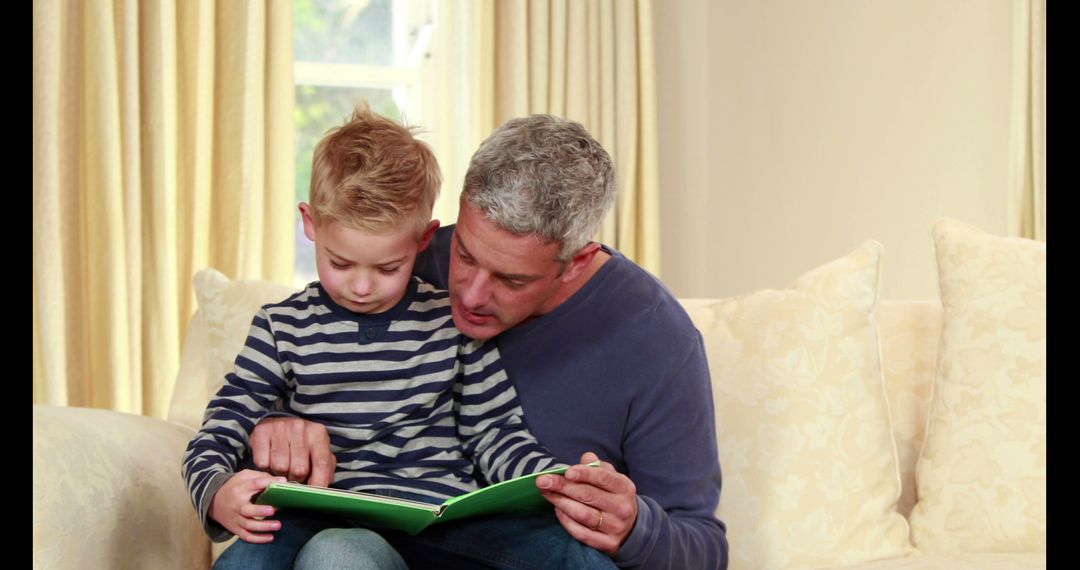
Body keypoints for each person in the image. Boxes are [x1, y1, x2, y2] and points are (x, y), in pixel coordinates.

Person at [253, 114, 729, 569]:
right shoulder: (401, 265)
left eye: (512, 280)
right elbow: (298, 351)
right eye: (464, 253)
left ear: (577, 263)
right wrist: (275, 421)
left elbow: (703, 547)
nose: (471, 295)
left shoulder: (658, 340)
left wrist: (634, 529)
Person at [181, 104, 568, 570]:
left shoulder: (454, 323)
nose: (361, 287)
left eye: (388, 268)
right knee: (250, 561)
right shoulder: (281, 327)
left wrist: (549, 479)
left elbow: (495, 433)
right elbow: (222, 425)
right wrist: (218, 489)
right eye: (340, 263)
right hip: (319, 517)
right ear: (310, 223)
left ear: (424, 239)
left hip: (440, 526)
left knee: (567, 552)